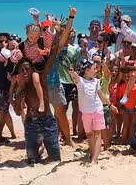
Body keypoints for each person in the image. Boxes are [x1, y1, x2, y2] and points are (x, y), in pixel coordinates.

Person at [69, 58, 118, 164]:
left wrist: (110, 105)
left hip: (97, 110)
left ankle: (94, 159)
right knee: (90, 134)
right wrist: (72, 73)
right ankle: (92, 151)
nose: (96, 70)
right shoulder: (80, 81)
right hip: (86, 112)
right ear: (87, 70)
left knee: (97, 134)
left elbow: (101, 95)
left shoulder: (96, 81)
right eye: (94, 69)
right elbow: (75, 76)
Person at [13, 58, 59, 165]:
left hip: (47, 121)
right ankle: (39, 150)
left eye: (27, 69)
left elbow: (51, 59)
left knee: (55, 159)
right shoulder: (23, 89)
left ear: (32, 70)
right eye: (22, 70)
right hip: (31, 124)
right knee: (32, 160)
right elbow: (17, 112)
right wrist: (17, 92)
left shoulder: (40, 79)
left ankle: (43, 148)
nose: (25, 72)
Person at [43, 9, 77, 147]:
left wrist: (71, 17)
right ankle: (48, 140)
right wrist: (44, 21)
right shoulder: (40, 44)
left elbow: (66, 32)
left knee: (60, 113)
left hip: (54, 83)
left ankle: (68, 139)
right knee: (44, 114)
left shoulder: (56, 48)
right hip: (41, 84)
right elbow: (40, 31)